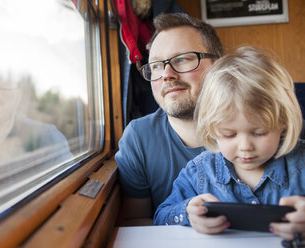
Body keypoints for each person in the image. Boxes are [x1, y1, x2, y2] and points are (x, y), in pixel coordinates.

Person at [153, 46, 305, 241]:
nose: (245, 146)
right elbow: (160, 218)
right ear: (212, 129)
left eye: (259, 132)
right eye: (229, 134)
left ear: (283, 123)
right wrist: (188, 213)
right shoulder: (199, 172)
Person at [115, 12, 223, 225]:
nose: (166, 74)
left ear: (218, 65)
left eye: (182, 59)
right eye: (156, 65)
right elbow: (137, 221)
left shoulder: (265, 128)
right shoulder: (139, 138)